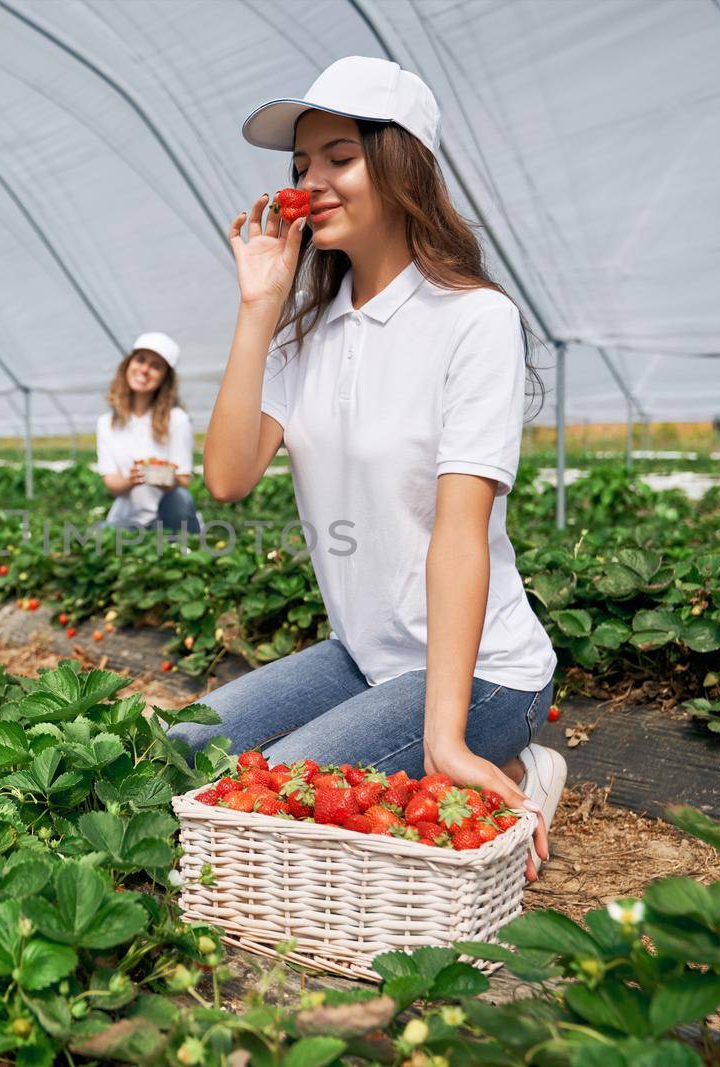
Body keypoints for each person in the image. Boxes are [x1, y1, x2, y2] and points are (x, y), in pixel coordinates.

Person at [175, 57, 565, 877]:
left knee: (271, 803)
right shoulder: (305, 335)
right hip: (363, 655)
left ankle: (515, 760)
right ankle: (446, 755)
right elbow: (226, 478)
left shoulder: (474, 321)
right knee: (173, 755)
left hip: (486, 671)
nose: (310, 181)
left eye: (338, 157)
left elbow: (459, 537)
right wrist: (259, 305)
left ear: (401, 164)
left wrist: (444, 738)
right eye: (299, 165)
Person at [96, 332, 202, 534]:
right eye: (140, 360)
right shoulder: (106, 424)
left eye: (155, 366)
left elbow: (184, 480)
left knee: (180, 497)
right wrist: (132, 479)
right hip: (128, 520)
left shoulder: (177, 419)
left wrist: (163, 477)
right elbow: (112, 484)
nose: (144, 369)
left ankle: (180, 543)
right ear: (128, 364)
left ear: (165, 378)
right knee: (97, 535)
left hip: (167, 516)